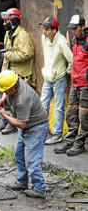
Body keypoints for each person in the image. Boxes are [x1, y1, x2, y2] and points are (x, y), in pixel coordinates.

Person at [0, 70, 49, 198]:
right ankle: (22, 182)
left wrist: (4, 114)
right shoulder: (15, 81)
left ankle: (39, 189)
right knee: (19, 154)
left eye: (6, 91)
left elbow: (21, 124)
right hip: (26, 125)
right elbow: (5, 90)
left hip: (36, 127)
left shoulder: (22, 99)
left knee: (32, 160)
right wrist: (3, 99)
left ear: (14, 89)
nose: (5, 92)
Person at [0, 8, 35, 134]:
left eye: (6, 21)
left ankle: (12, 123)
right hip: (10, 72)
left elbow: (27, 54)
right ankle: (6, 121)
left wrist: (8, 56)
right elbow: (7, 52)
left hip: (20, 74)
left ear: (13, 21)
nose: (4, 24)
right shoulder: (8, 34)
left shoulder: (23, 36)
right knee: (7, 98)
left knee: (16, 101)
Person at [54, 14, 88, 156]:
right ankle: (69, 141)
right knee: (71, 114)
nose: (73, 31)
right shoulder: (74, 42)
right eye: (72, 28)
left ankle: (79, 144)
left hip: (85, 85)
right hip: (75, 84)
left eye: (76, 28)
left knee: (84, 117)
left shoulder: (87, 42)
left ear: (82, 27)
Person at [39, 16, 73, 145]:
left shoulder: (62, 42)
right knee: (42, 106)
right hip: (47, 78)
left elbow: (71, 60)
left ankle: (57, 134)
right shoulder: (44, 38)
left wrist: (66, 72)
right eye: (43, 28)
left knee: (59, 108)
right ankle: (43, 132)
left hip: (59, 79)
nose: (44, 31)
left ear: (54, 30)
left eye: (47, 29)